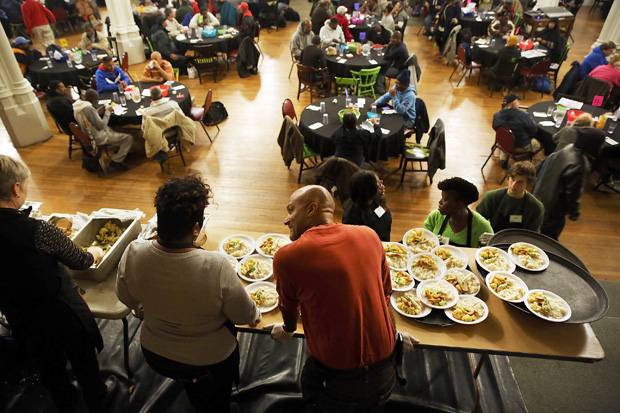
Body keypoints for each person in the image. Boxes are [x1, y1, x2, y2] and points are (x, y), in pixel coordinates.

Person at [265, 185, 417, 412]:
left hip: (340, 382)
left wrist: (287, 329)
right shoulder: (370, 235)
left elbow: (289, 307)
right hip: (386, 374)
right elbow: (386, 294)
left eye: (290, 210)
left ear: (311, 209)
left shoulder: (288, 257)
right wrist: (395, 336)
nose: (286, 219)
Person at [117, 175, 260, 412]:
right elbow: (244, 316)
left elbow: (126, 298)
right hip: (210, 361)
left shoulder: (133, 252)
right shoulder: (216, 265)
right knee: (215, 401)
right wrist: (255, 313)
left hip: (156, 354)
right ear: (196, 228)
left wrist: (147, 307)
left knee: (194, 386)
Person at [0, 155, 108, 413]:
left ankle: (65, 402)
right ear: (17, 188)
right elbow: (80, 261)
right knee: (83, 360)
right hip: (59, 311)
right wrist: (95, 251)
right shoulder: (39, 230)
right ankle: (98, 402)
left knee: (48, 363)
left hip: (20, 315)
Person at [533, 129, 606, 240]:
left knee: (537, 230)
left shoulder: (567, 149)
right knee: (548, 238)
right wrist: (574, 213)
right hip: (552, 210)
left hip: (539, 197)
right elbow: (573, 193)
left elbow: (540, 167)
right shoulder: (579, 164)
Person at [72, 89, 134, 171]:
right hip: (98, 136)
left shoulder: (78, 107)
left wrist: (98, 111)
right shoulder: (89, 108)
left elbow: (89, 118)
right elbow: (101, 126)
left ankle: (120, 149)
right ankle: (116, 161)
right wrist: (108, 112)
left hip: (88, 134)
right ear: (94, 100)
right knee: (129, 138)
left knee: (116, 129)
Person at [476, 161, 545, 233]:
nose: (513, 185)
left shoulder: (536, 207)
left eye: (519, 182)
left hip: (520, 242)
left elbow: (533, 235)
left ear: (528, 183)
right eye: (512, 179)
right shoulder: (491, 198)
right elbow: (477, 223)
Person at [424, 177, 493, 247]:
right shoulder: (435, 217)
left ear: (459, 204)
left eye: (444, 199)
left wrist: (493, 241)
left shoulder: (482, 227)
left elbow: (492, 252)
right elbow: (423, 242)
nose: (440, 202)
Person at [492, 93, 540, 169]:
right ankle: (521, 164)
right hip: (520, 146)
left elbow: (495, 128)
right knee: (540, 144)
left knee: (508, 138)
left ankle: (503, 158)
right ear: (514, 104)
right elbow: (533, 131)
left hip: (502, 142)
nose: (519, 103)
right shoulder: (523, 115)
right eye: (518, 101)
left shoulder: (496, 115)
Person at [343, 170, 392, 241]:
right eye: (379, 186)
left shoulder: (376, 201)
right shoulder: (353, 219)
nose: (383, 187)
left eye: (381, 183)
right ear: (369, 191)